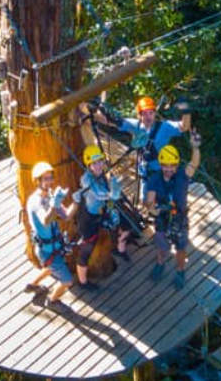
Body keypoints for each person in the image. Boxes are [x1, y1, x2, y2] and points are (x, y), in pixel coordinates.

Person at [88, 95, 192, 199]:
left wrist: (186, 111)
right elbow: (110, 121)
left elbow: (184, 127)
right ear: (139, 115)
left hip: (162, 172)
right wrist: (94, 111)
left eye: (151, 113)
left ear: (155, 114)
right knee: (145, 201)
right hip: (145, 172)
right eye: (144, 114)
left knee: (165, 201)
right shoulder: (136, 125)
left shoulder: (164, 127)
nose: (148, 117)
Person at [143, 131, 201, 290]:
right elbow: (150, 199)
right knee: (162, 247)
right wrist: (152, 208)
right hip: (162, 218)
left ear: (176, 164)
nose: (169, 169)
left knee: (181, 249)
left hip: (180, 219)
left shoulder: (182, 175)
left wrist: (195, 148)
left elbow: (193, 164)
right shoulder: (155, 179)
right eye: (165, 165)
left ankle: (180, 270)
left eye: (172, 165)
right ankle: (160, 264)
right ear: (160, 165)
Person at [23, 161, 75, 312]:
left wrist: (77, 202)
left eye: (50, 178)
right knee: (67, 281)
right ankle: (52, 300)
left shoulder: (51, 196)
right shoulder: (35, 201)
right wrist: (54, 203)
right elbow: (45, 220)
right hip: (46, 250)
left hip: (54, 246)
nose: (49, 182)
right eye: (45, 179)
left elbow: (66, 216)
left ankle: (32, 284)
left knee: (52, 268)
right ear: (38, 181)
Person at [76, 144, 130, 269]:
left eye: (100, 161)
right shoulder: (86, 179)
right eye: (94, 163)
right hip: (90, 217)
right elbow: (98, 194)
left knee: (125, 225)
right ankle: (83, 281)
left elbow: (107, 194)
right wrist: (112, 193)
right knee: (88, 247)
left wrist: (113, 186)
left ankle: (120, 249)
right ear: (88, 165)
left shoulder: (102, 174)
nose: (99, 165)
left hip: (105, 209)